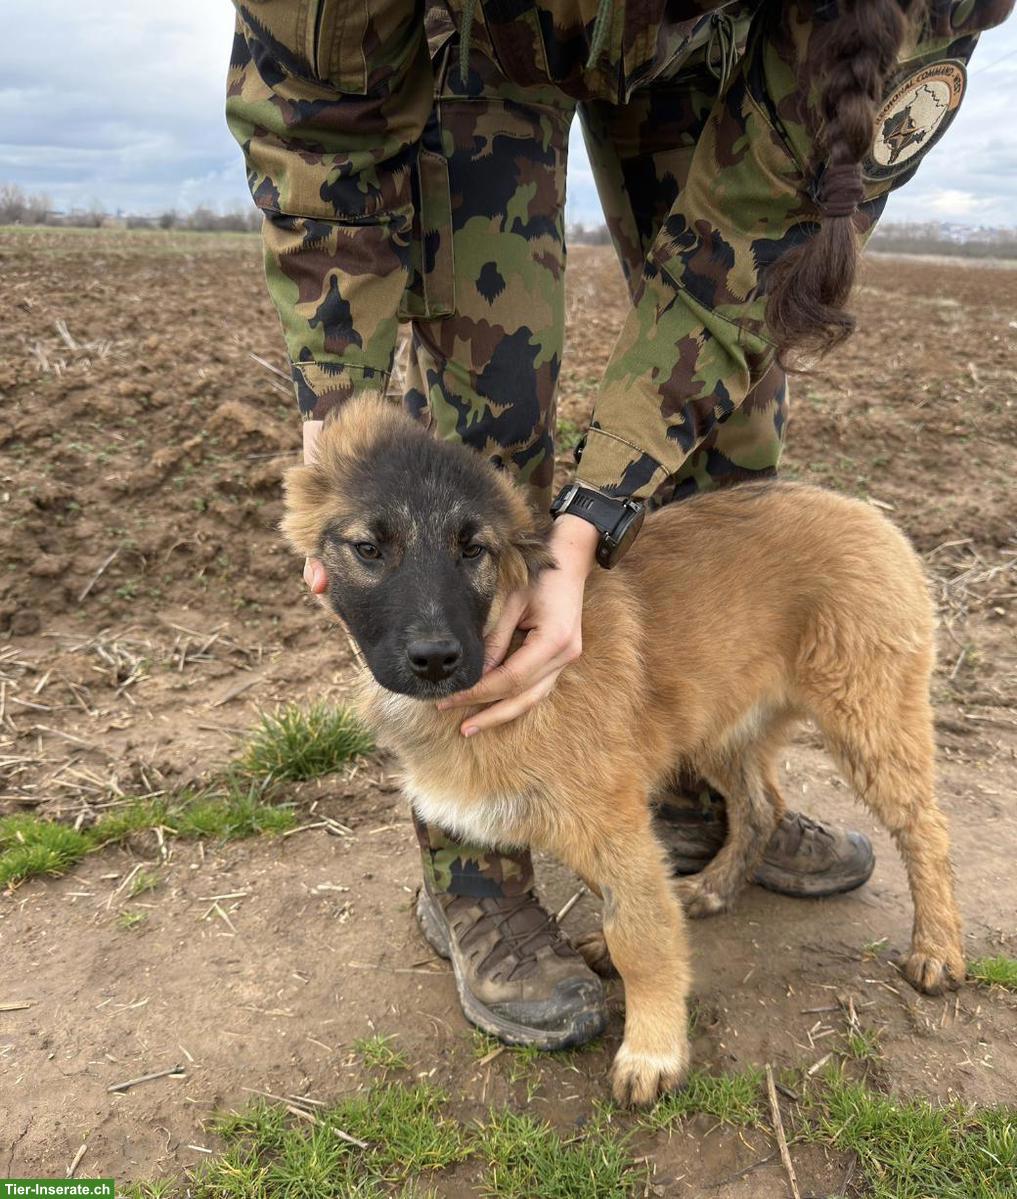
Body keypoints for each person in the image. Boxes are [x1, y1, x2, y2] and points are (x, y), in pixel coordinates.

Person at [225, 0, 1012, 1050]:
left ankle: (685, 790)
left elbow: (745, 267)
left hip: (723, 64)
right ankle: (478, 876)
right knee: (480, 441)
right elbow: (317, 113)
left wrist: (591, 520)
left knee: (728, 425)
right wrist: (337, 417)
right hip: (484, 47)